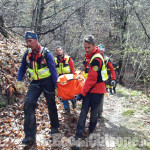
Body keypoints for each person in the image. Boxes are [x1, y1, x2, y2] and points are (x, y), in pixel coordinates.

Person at [16, 31, 59, 145]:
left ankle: (54, 129)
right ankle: (30, 136)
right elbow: (22, 68)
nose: (28, 44)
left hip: (48, 81)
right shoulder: (27, 54)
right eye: (27, 41)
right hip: (35, 82)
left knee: (51, 104)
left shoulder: (46, 53)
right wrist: (18, 81)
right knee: (28, 104)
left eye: (30, 41)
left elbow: (53, 70)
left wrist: (57, 86)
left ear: (36, 40)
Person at [75, 35, 108, 140]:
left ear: (94, 46)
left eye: (89, 47)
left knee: (94, 113)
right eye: (85, 47)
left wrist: (82, 93)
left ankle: (90, 133)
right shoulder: (89, 57)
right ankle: (78, 135)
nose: (87, 49)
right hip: (89, 90)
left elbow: (92, 79)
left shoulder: (96, 59)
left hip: (97, 91)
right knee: (83, 113)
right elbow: (87, 76)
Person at [55, 46, 76, 113]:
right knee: (63, 94)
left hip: (68, 77)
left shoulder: (68, 58)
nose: (59, 52)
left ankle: (74, 101)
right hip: (60, 78)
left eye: (60, 50)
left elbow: (72, 67)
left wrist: (73, 77)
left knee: (70, 93)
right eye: (57, 51)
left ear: (62, 51)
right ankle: (66, 109)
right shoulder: (55, 60)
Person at [98, 44, 116, 118]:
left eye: (102, 49)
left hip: (103, 80)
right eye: (100, 49)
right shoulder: (94, 56)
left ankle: (99, 113)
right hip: (93, 79)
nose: (101, 51)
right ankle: (94, 112)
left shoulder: (106, 59)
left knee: (101, 96)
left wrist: (113, 78)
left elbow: (111, 69)